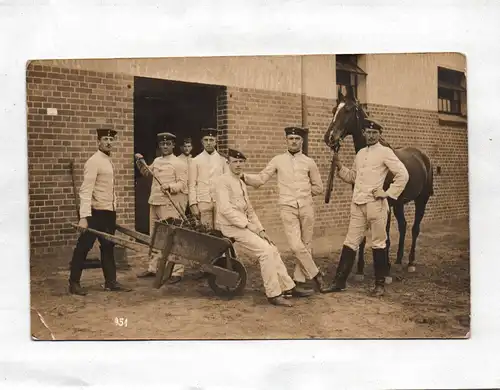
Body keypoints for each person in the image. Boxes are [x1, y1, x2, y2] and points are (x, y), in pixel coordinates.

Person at [213, 148, 314, 307]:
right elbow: (226, 210)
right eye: (235, 162)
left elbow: (250, 209)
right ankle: (273, 294)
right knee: (265, 252)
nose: (238, 165)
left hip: (243, 226)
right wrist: (249, 226)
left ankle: (288, 287)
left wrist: (261, 230)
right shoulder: (222, 181)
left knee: (272, 247)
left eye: (241, 162)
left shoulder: (240, 182)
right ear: (228, 163)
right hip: (231, 227)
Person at [323, 118, 409, 296]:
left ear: (379, 134)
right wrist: (340, 167)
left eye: (374, 133)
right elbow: (353, 177)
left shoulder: (385, 152)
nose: (370, 136)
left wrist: (387, 193)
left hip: (375, 205)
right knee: (350, 241)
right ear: (363, 133)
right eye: (368, 133)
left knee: (378, 242)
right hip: (358, 204)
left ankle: (379, 284)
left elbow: (403, 174)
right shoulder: (360, 153)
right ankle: (339, 282)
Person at [241, 126, 329, 292]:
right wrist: (243, 176)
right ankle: (317, 275)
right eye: (291, 138)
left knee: (306, 244)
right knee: (296, 245)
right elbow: (260, 179)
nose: (294, 141)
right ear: (286, 140)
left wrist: (302, 191)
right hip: (287, 207)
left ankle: (299, 278)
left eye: (297, 139)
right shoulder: (278, 160)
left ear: (302, 141)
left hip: (306, 207)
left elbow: (319, 187)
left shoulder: (309, 162)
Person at [69, 128, 132, 295]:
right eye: (105, 139)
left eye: (111, 140)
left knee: (108, 247)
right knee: (83, 247)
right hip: (95, 213)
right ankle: (74, 283)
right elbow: (86, 190)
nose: (108, 142)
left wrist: (113, 208)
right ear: (99, 141)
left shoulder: (108, 160)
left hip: (108, 212)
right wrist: (84, 217)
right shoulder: (93, 161)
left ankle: (110, 282)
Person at [134, 132, 188, 283]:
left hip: (169, 204)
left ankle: (178, 271)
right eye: (162, 144)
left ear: (173, 145)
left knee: (173, 238)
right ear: (160, 146)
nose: (165, 146)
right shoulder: (157, 161)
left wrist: (170, 186)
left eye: (168, 144)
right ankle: (153, 267)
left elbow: (183, 184)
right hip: (155, 202)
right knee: (154, 237)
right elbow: (146, 173)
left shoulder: (179, 163)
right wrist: (140, 161)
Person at [188, 128, 228, 230]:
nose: (209, 143)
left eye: (211, 140)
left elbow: (228, 183)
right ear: (202, 142)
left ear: (216, 141)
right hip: (203, 201)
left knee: (221, 231)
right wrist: (193, 204)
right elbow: (192, 184)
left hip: (219, 201)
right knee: (206, 232)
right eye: (206, 140)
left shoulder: (223, 160)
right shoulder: (195, 160)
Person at [177, 137, 193, 214]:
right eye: (185, 146)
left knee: (194, 215)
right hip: (181, 192)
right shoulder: (177, 160)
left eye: (189, 146)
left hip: (192, 191)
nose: (187, 149)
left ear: (192, 147)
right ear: (181, 148)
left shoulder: (194, 159)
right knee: (181, 214)